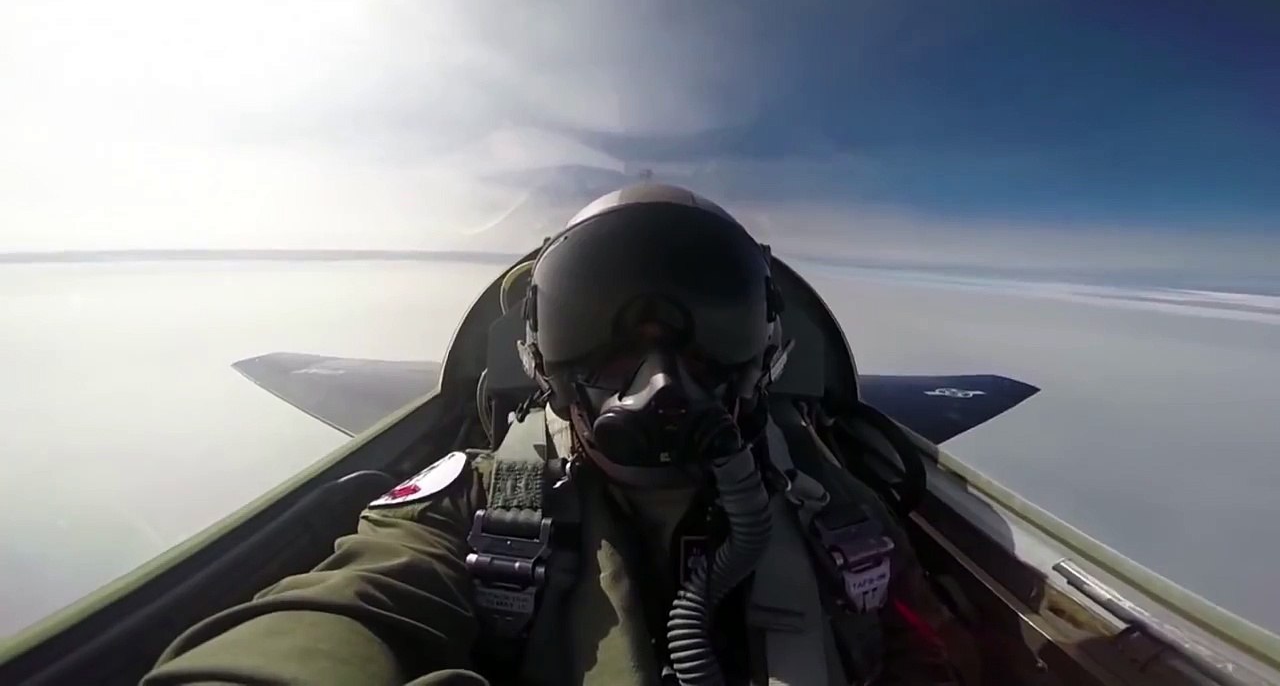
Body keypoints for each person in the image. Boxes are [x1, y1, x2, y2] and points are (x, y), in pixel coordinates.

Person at [141, 184, 977, 686]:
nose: (657, 370)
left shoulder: (839, 509)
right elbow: (356, 606)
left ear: (767, 344)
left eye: (707, 322)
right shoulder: (469, 504)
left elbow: (927, 655)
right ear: (541, 353)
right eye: (599, 319)